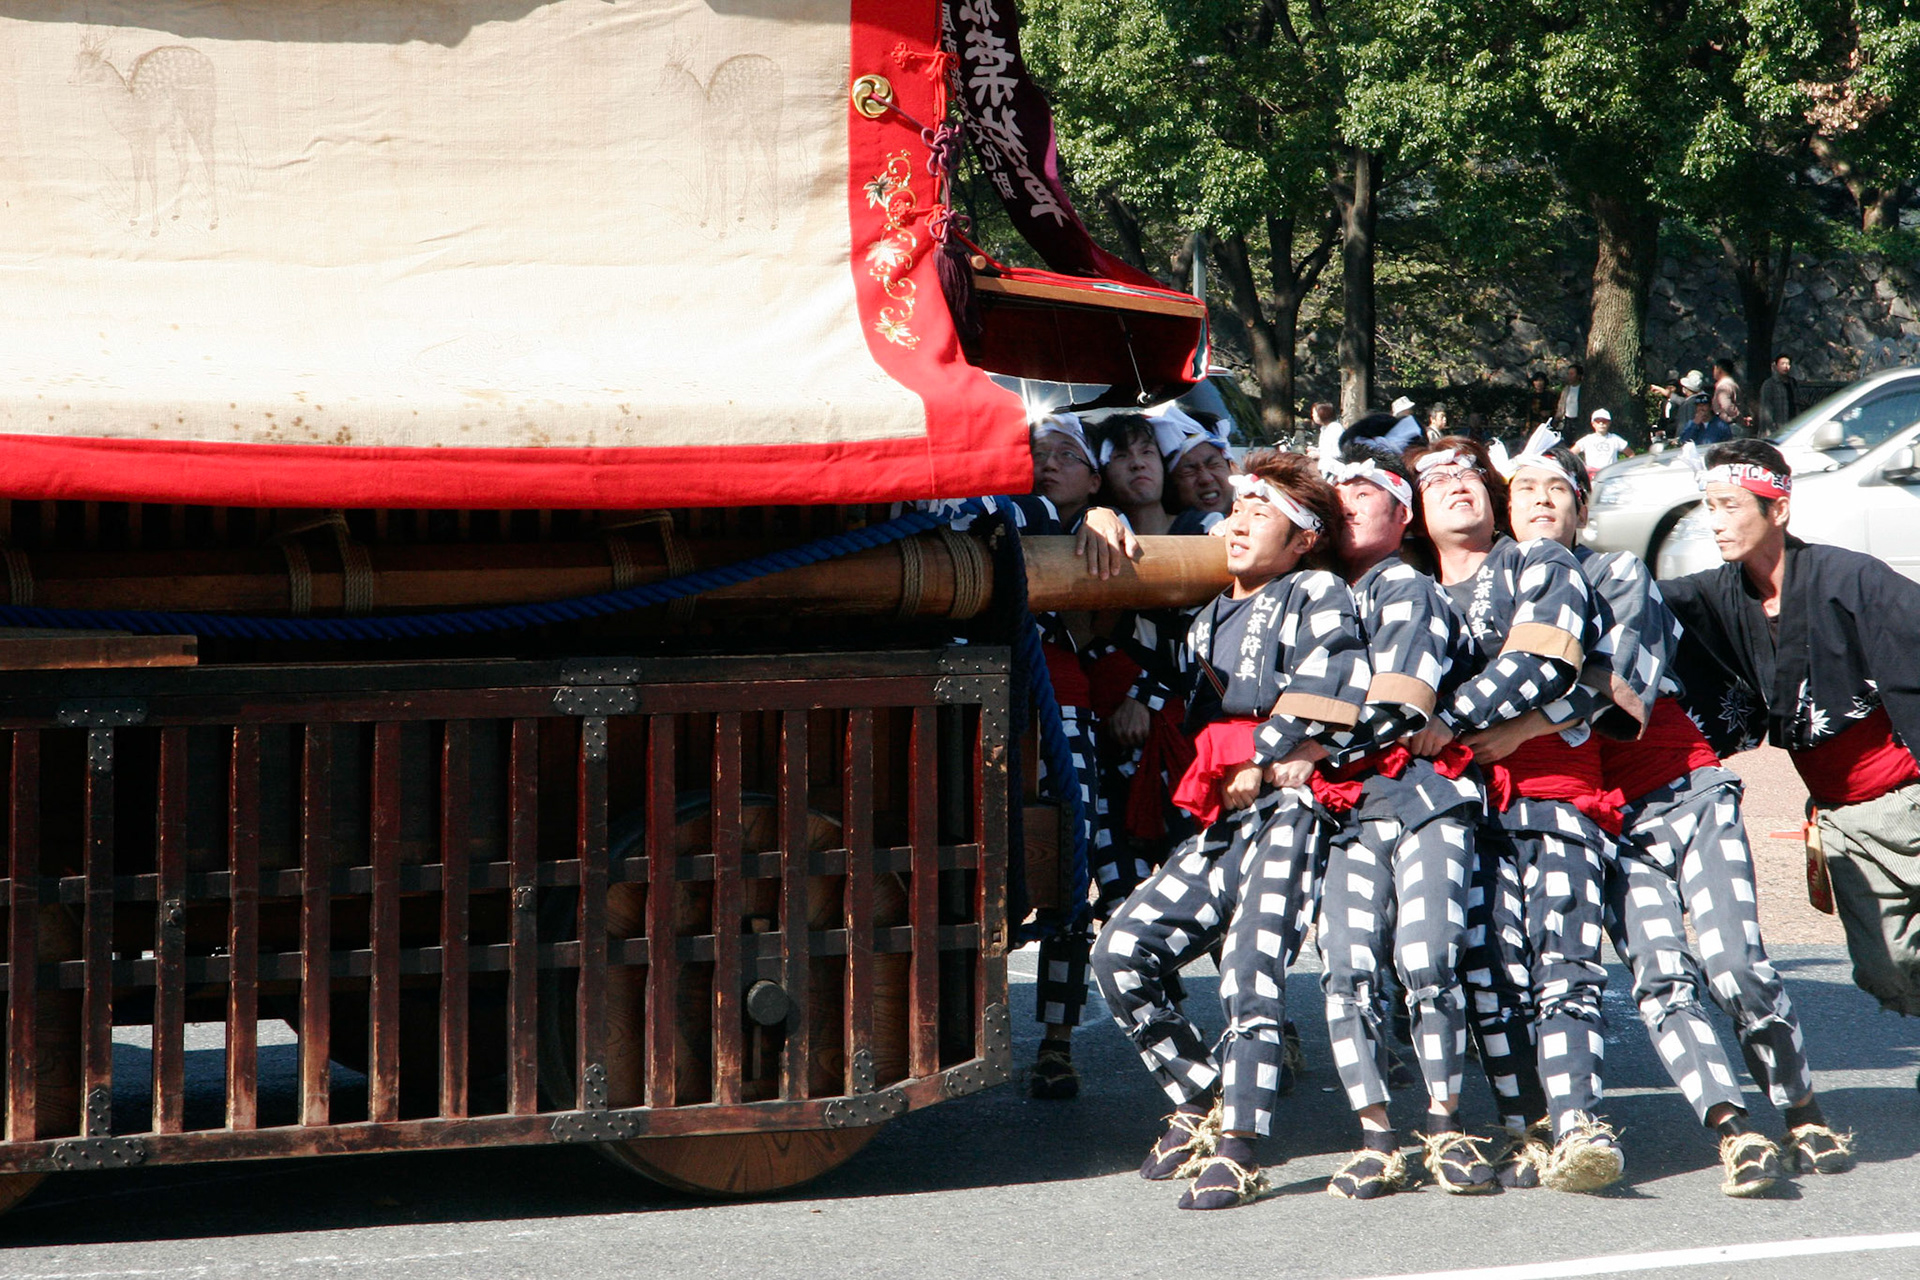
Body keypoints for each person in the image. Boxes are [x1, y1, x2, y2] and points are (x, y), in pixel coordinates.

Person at [1497, 432, 1852, 1195]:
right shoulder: (1494, 587)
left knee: (1734, 962)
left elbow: (1622, 681)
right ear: (1506, 507)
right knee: (1662, 977)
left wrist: (1518, 720)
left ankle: (1802, 1110)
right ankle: (1734, 1131)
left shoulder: (1617, 571)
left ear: (1580, 508)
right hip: (1601, 821)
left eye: (1555, 490)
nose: (1540, 502)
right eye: (1524, 490)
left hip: (1678, 789)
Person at [1092, 454, 1369, 1210]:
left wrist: (1262, 752)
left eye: (1260, 511)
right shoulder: (1208, 611)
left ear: (1304, 538)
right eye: (1236, 507)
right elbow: (1140, 655)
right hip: (1224, 815)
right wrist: (1097, 518)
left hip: (1290, 804)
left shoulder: (1317, 590)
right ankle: (1199, 1096)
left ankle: (1244, 1147)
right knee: (1120, 950)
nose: (1238, 521)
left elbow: (1333, 683)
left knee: (1250, 966)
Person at [1409, 434, 1623, 1193]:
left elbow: (1546, 658)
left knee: (1561, 958)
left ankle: (1577, 1124)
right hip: (1460, 806)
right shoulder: (1412, 591)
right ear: (1415, 511)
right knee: (1486, 966)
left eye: (1468, 474)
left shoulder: (1536, 558)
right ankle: (1523, 1124)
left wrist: (1450, 720)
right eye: (1434, 481)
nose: (1455, 485)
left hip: (1552, 791)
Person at [1662, 439, 1920, 1040]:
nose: (1716, 521)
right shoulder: (1721, 596)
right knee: (1890, 971)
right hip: (1845, 819)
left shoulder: (1848, 577)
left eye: (1730, 505)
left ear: (1777, 509)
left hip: (1910, 794)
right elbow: (1647, 604)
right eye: (1709, 506)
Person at [1313, 445, 1498, 1198]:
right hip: (1350, 806)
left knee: (1428, 958)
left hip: (1424, 797)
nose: (1350, 502)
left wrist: (1300, 749)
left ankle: (1445, 1125)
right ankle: (1376, 1135)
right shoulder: (1313, 590)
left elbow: (1400, 702)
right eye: (1341, 492)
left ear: (1403, 515)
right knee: (1348, 967)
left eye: (1369, 492)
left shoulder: (1408, 586)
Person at [1569, 408, 1629, 473]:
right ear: (1593, 423)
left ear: (1609, 423)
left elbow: (1631, 454)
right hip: (1592, 476)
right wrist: (1581, 467)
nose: (1601, 423)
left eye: (1604, 421)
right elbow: (1570, 454)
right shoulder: (1587, 439)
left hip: (1611, 475)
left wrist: (1624, 470)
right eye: (1598, 421)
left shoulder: (1615, 439)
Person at [1757, 354, 1799, 437]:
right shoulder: (1769, 384)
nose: (1785, 367)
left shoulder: (1792, 382)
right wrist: (1772, 428)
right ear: (1776, 366)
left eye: (1788, 364)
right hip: (1776, 426)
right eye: (1782, 364)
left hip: (1791, 424)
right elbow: (1765, 408)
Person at [1712, 358, 1745, 435]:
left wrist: (1736, 416)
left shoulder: (1724, 386)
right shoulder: (1733, 384)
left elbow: (1727, 405)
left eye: (1714, 369)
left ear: (1719, 370)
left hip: (1728, 425)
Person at [1554, 363, 1583, 429]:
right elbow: (1561, 404)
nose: (1569, 376)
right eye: (1568, 374)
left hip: (1579, 420)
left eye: (1572, 374)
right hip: (1567, 420)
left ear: (1578, 375)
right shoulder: (1566, 389)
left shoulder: (1583, 389)